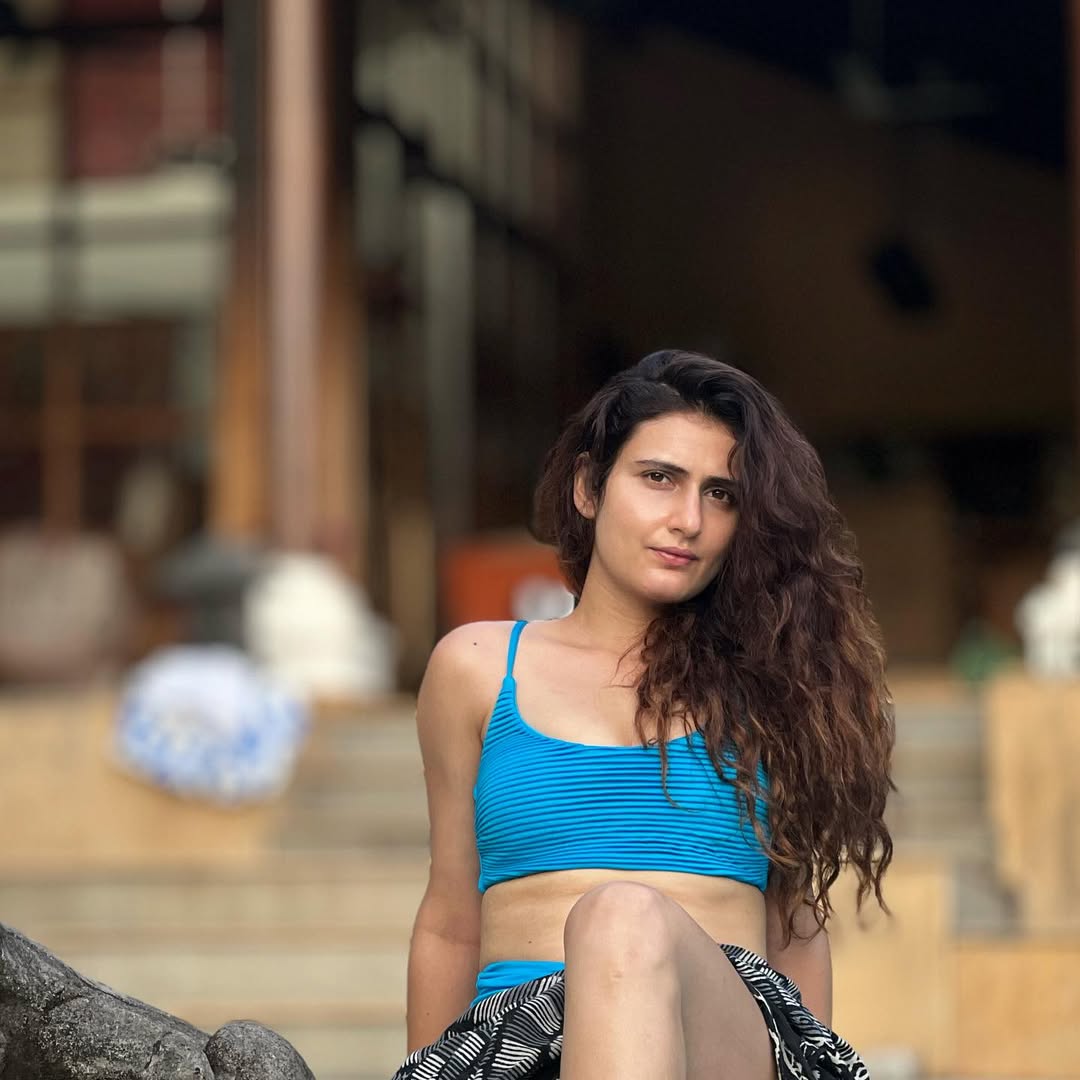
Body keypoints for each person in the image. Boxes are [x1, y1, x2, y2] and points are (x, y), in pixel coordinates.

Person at [391, 351, 894, 1080]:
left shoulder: (772, 681)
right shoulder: (475, 668)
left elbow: (793, 927)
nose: (688, 520)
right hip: (517, 1042)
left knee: (623, 918)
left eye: (721, 494)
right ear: (588, 487)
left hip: (722, 1038)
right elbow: (449, 921)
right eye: (659, 478)